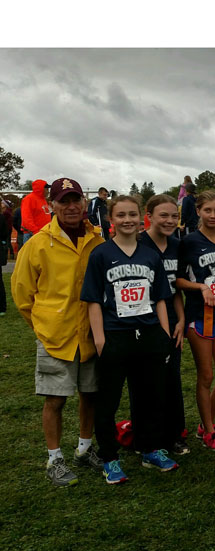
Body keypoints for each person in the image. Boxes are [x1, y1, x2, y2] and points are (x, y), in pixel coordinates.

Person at [11, 178, 105, 486]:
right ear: (52, 205)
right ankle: (54, 458)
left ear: (84, 203)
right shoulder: (37, 243)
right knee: (55, 400)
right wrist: (43, 327)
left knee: (90, 395)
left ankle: (85, 448)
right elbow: (23, 296)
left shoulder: (97, 240)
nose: (71, 206)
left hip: (90, 335)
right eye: (64, 201)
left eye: (76, 199)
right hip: (56, 336)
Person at [81, 195, 177, 484]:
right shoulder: (100, 254)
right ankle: (109, 457)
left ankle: (150, 448)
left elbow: (161, 297)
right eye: (121, 215)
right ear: (111, 219)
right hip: (115, 335)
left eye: (132, 215)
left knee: (152, 395)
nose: (127, 220)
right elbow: (93, 300)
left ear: (141, 218)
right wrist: (100, 338)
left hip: (148, 334)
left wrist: (162, 333)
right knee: (108, 400)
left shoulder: (150, 256)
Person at [176, 190, 215, 451]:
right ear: (198, 211)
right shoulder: (188, 242)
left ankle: (204, 423)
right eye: (207, 210)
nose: (212, 215)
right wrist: (200, 287)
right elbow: (177, 279)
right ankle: (209, 431)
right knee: (206, 375)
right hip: (198, 316)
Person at [140, 194, 189, 455]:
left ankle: (174, 434)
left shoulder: (176, 245)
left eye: (174, 216)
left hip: (171, 318)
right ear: (149, 215)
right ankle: (147, 435)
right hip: (142, 318)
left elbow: (175, 288)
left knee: (172, 378)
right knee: (146, 380)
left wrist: (181, 320)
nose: (170, 221)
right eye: (163, 215)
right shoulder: (138, 244)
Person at [20, 179, 51, 244]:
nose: (48, 191)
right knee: (30, 254)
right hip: (32, 234)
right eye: (47, 189)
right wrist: (36, 231)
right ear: (41, 189)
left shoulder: (43, 200)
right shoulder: (29, 199)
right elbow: (26, 218)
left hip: (42, 233)